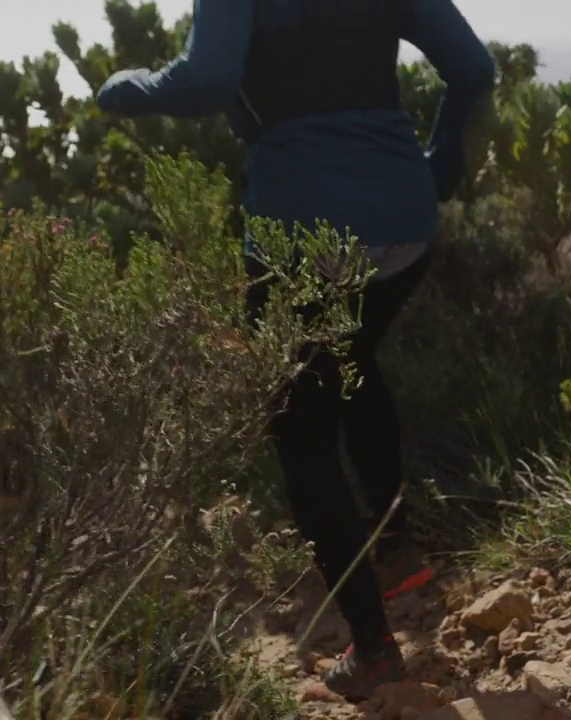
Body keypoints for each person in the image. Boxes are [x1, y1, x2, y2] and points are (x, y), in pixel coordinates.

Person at [96, 0, 496, 700]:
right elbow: (473, 68)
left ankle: (372, 650)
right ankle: (399, 548)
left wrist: (127, 87)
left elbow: (209, 79)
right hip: (403, 226)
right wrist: (438, 169)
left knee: (299, 432)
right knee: (351, 359)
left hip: (303, 235)